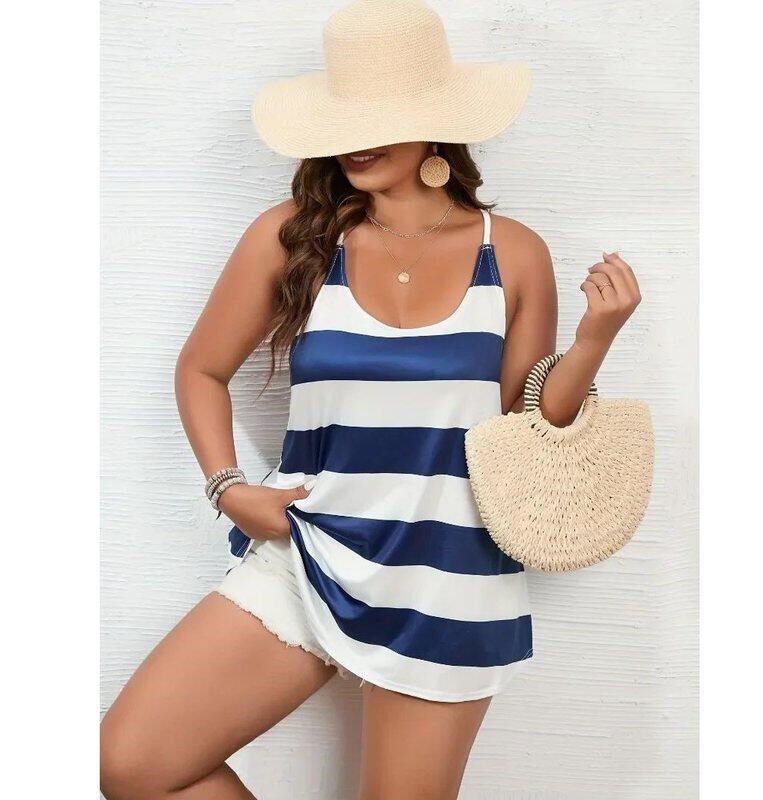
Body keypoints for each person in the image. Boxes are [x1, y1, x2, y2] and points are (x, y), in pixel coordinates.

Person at [100, 1, 641, 798]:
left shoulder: (512, 252)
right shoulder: (295, 237)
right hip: (308, 549)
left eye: (383, 117)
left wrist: (595, 339)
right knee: (133, 763)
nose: (358, 139)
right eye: (346, 118)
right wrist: (228, 488)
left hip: (447, 574)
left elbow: (526, 431)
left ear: (436, 123)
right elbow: (200, 370)